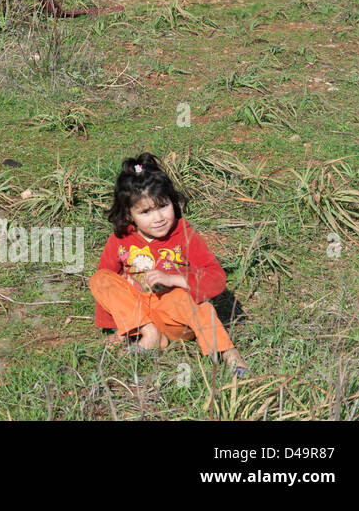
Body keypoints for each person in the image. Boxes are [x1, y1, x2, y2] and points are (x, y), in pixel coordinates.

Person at [89, 153, 247, 375]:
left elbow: (216, 276)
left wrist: (175, 280)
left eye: (163, 206)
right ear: (129, 215)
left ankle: (229, 353)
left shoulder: (184, 234)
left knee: (200, 305)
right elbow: (108, 284)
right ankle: (150, 333)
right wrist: (116, 328)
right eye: (146, 212)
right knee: (100, 278)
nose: (158, 218)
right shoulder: (121, 238)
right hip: (138, 313)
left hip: (173, 316)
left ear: (173, 201)